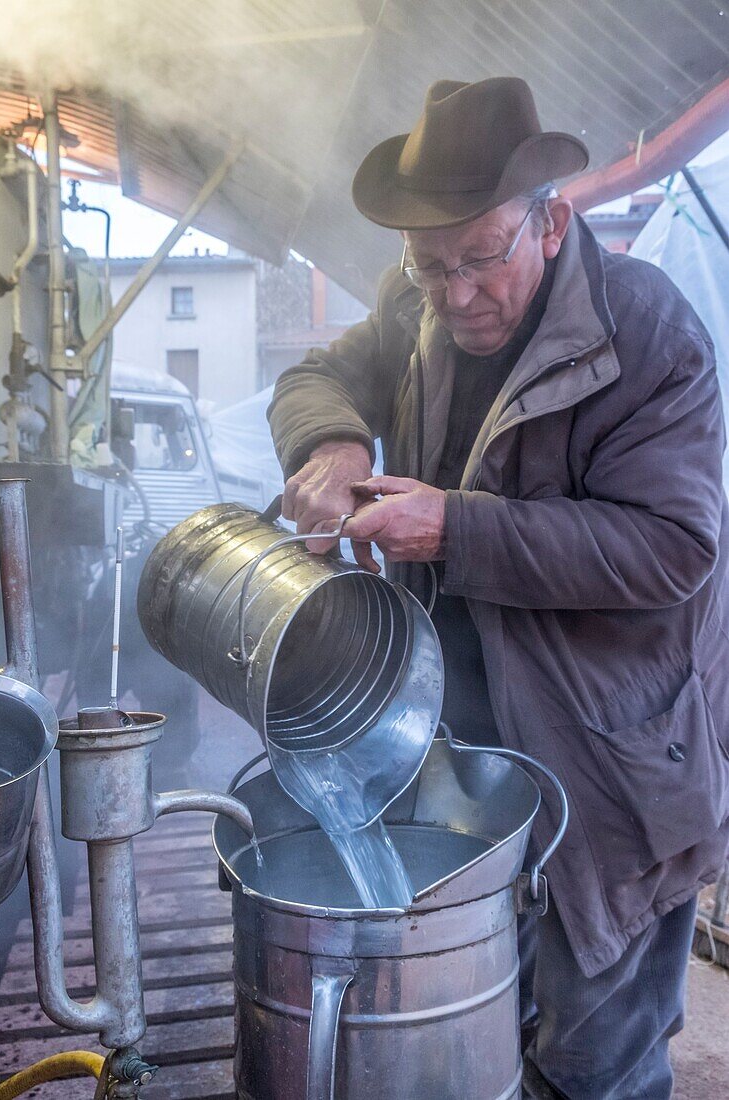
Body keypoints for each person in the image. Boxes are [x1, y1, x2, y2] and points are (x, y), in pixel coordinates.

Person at [268, 77, 729, 1099]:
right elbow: (315, 375)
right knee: (477, 1036)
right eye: (430, 266)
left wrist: (454, 526)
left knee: (591, 1063)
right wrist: (332, 439)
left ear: (550, 221)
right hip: (467, 757)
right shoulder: (415, 302)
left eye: (482, 259)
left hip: (612, 768)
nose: (458, 293)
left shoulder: (646, 330)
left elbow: (669, 546)